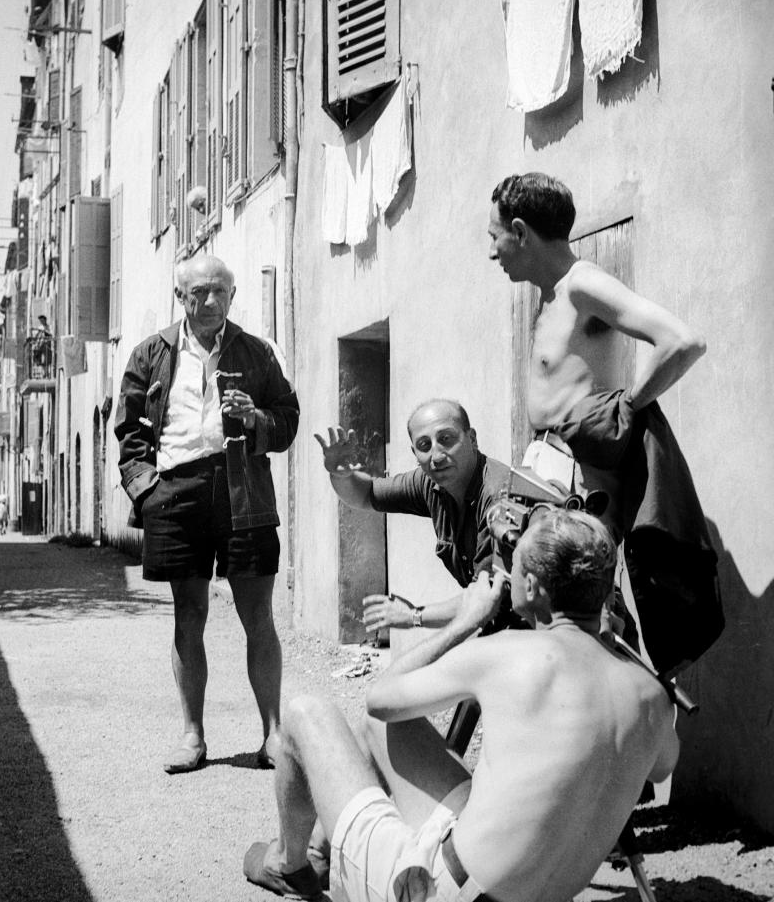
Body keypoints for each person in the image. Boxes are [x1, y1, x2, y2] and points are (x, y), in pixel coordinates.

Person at [244, 508, 679, 902]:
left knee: (304, 714)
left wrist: (466, 619)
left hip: (440, 892)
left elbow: (379, 698)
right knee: (390, 729)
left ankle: (288, 862)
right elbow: (661, 766)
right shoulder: (650, 695)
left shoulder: (511, 653)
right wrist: (607, 643)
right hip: (509, 890)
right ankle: (331, 851)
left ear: (530, 586)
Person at [488, 173, 719, 674]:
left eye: (495, 236)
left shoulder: (582, 283)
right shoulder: (552, 294)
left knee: (585, 615)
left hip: (579, 476)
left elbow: (681, 341)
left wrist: (626, 409)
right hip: (548, 470)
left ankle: (631, 722)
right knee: (544, 612)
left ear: (521, 231)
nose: (493, 251)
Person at [115, 253, 299, 774]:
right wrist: (146, 490)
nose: (212, 301)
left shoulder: (257, 353)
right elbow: (129, 431)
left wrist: (256, 418)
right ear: (181, 297)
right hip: (176, 491)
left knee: (256, 616)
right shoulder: (150, 354)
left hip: (244, 490)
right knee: (188, 615)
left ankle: (273, 735)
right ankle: (193, 736)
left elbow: (287, 419)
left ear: (233, 295)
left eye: (221, 291)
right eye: (200, 292)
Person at [315, 400, 510, 635]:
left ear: (472, 439)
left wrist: (412, 616)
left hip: (535, 628)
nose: (436, 456)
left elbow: (488, 597)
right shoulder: (429, 482)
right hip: (494, 624)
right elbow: (366, 495)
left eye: (446, 439)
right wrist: (341, 475)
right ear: (415, 453)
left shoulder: (498, 497)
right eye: (424, 445)